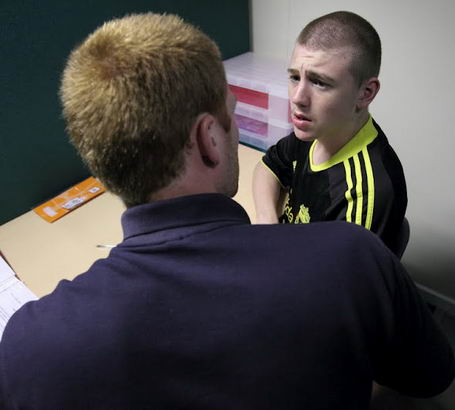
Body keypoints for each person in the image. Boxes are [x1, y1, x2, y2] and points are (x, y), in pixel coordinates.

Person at [0, 12, 453, 410]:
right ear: (208, 140)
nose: (296, 99)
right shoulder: (348, 257)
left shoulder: (26, 345)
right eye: (233, 115)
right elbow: (430, 375)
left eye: (317, 82)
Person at [253, 11, 407, 255]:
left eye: (319, 82)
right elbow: (268, 167)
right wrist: (267, 222)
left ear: (365, 93)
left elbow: (332, 286)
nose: (297, 98)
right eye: (294, 77)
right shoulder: (315, 129)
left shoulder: (365, 194)